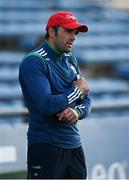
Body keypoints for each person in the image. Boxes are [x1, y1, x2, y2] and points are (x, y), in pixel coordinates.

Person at [19, 11, 91, 179]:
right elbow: (46, 105)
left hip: (74, 145)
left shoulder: (71, 59)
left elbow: (86, 100)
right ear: (52, 32)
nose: (73, 37)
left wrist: (76, 112)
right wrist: (77, 90)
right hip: (46, 146)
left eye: (76, 32)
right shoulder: (34, 61)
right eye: (68, 31)